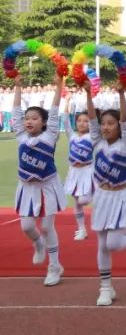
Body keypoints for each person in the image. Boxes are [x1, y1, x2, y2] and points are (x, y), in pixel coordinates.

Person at [84, 80, 126, 306]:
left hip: (120, 196)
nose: (105, 127)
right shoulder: (97, 143)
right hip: (101, 197)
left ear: (118, 126)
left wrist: (122, 94)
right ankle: (105, 288)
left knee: (113, 244)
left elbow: (125, 120)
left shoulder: (125, 144)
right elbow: (91, 118)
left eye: (111, 123)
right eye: (103, 123)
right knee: (101, 244)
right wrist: (88, 94)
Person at [12, 77, 66, 286]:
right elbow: (15, 111)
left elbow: (54, 109)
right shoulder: (21, 136)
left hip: (47, 186)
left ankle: (54, 266)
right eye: (27, 118)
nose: (29, 121)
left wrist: (59, 86)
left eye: (34, 118)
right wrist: (18, 86)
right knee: (27, 226)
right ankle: (38, 244)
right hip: (26, 187)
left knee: (46, 226)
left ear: (43, 122)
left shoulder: (49, 136)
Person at [64, 110, 96, 241]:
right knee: (77, 202)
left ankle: (98, 195)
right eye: (79, 121)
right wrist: (66, 104)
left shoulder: (92, 137)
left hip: (87, 171)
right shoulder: (72, 136)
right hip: (74, 172)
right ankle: (82, 229)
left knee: (83, 200)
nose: (82, 123)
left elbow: (94, 123)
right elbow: (66, 122)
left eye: (85, 121)